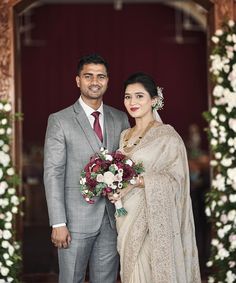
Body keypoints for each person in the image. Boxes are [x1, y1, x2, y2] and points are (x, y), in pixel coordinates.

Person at [43, 53, 130, 283]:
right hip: (74, 222)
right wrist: (58, 222)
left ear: (107, 80)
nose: (95, 81)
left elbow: (126, 165)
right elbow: (53, 173)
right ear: (78, 80)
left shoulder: (120, 118)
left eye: (101, 76)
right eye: (88, 76)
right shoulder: (60, 120)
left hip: (111, 220)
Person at [111, 72, 201, 283]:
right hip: (126, 216)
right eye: (127, 96)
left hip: (154, 220)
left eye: (139, 96)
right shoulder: (125, 135)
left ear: (153, 100)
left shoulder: (167, 136)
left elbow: (177, 179)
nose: (132, 102)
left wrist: (139, 182)